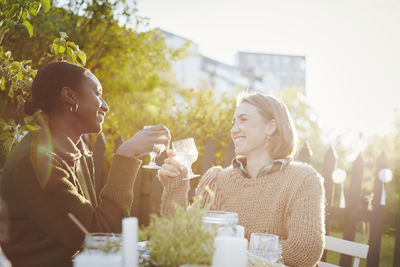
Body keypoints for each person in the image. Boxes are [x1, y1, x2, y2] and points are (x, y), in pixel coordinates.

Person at [0, 61, 170, 267]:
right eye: (97, 94)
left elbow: (93, 226)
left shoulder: (72, 150)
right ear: (70, 96)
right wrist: (126, 155)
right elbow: (98, 236)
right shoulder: (38, 160)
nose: (105, 106)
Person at [159, 92, 325, 267]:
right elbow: (180, 237)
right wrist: (175, 187)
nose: (234, 129)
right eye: (233, 122)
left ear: (271, 126)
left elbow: (304, 252)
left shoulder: (303, 179)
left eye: (243, 120)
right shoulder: (218, 180)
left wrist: (224, 248)